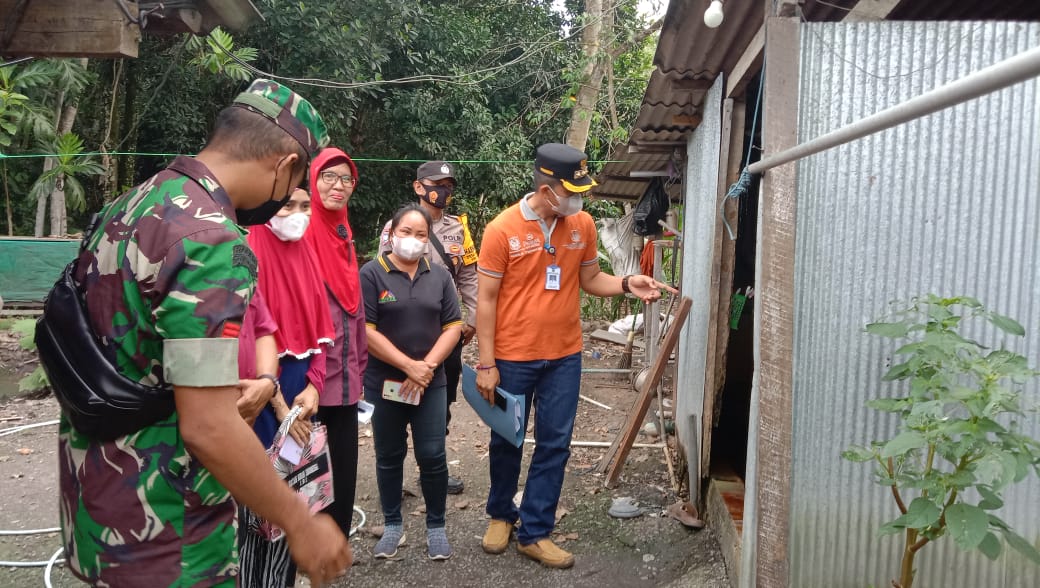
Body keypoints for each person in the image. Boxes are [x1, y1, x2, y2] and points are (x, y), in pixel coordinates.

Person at [56, 79, 350, 587]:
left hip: (95, 501)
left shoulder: (137, 202)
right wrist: (300, 520)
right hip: (166, 528)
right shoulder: (212, 239)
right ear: (286, 166)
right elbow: (208, 426)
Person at [475, 143, 675, 569]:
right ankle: (500, 515)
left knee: (555, 444)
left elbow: (590, 278)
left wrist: (626, 283)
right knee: (506, 438)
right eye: (570, 189)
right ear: (547, 190)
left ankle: (534, 531)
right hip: (512, 357)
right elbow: (486, 300)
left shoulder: (580, 224)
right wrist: (486, 363)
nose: (577, 198)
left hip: (564, 356)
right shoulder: (502, 229)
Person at [240, 187, 336, 588]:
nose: (297, 215)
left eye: (303, 207)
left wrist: (314, 386)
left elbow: (321, 331)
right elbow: (251, 336)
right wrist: (280, 407)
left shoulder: (306, 252)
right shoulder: (246, 255)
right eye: (286, 206)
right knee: (258, 500)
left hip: (300, 393)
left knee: (297, 489)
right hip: (260, 393)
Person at [362, 204, 463, 561]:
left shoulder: (439, 276)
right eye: (406, 232)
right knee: (389, 455)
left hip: (430, 383)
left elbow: (453, 325)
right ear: (391, 234)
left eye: (421, 235)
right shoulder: (371, 273)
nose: (413, 240)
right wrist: (408, 366)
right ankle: (392, 524)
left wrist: (428, 367)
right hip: (384, 382)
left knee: (432, 455)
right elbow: (365, 329)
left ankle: (436, 526)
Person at [379, 160, 478, 494]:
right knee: (394, 403)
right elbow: (382, 276)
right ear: (419, 187)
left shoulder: (459, 229)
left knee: (441, 403)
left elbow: (469, 278)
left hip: (446, 336)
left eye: (449, 184)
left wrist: (473, 321)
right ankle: (394, 472)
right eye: (438, 183)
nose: (444, 190)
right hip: (400, 336)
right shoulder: (397, 228)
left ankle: (432, 468)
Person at [304, 147, 368, 539]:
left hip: (345, 379)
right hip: (308, 381)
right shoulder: (300, 227)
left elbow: (354, 305)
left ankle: (336, 545)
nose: (338, 186)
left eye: (346, 179)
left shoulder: (343, 231)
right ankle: (306, 545)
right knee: (306, 469)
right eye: (329, 176)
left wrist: (359, 368)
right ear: (312, 179)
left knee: (343, 465)